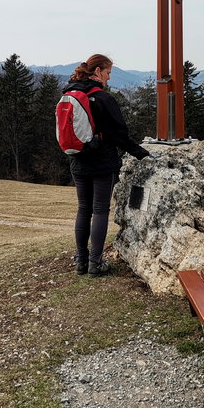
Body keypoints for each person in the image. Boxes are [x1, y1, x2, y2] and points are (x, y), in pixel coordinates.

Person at [63, 54, 151, 277]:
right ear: (99, 71)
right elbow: (119, 135)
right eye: (109, 73)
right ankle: (95, 263)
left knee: (84, 209)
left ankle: (81, 261)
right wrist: (141, 153)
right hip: (102, 162)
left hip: (79, 161)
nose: (109, 79)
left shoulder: (70, 92)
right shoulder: (103, 98)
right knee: (100, 210)